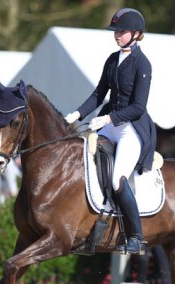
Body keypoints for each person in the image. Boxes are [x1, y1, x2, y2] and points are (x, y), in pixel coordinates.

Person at [64, 8, 156, 255]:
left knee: (117, 179)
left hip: (131, 130)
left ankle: (136, 237)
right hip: (110, 125)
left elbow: (138, 107)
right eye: (115, 31)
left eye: (122, 32)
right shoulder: (112, 59)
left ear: (136, 34)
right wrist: (77, 114)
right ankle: (94, 221)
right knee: (87, 162)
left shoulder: (142, 64)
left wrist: (107, 118)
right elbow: (98, 94)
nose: (117, 35)